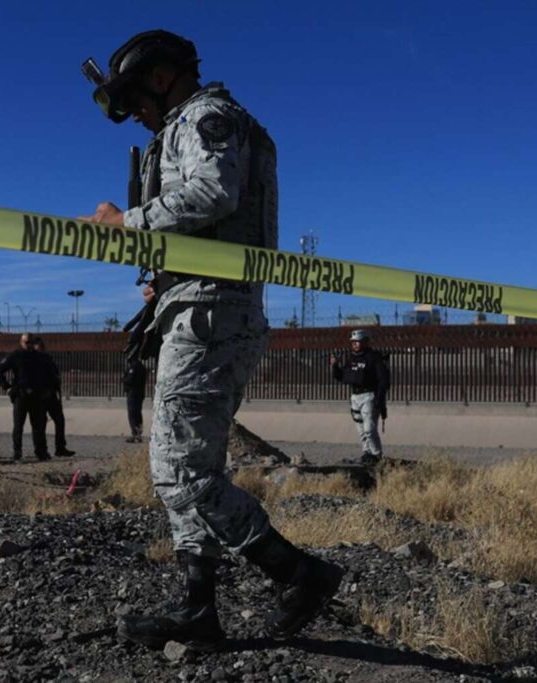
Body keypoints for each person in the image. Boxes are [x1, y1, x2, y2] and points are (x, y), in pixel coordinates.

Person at [82, 29, 343, 650]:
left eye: (136, 98)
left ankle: (297, 573)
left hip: (212, 311)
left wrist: (131, 224)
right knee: (177, 465)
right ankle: (199, 609)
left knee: (183, 471)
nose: (136, 115)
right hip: (199, 301)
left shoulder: (207, 118)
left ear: (162, 76)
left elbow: (214, 192)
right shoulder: (202, 122)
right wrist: (166, 278)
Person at [330, 329, 391, 465]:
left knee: (369, 429)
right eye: (353, 342)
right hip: (355, 397)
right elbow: (341, 376)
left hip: (369, 395)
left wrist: (379, 399)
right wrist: (335, 365)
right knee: (361, 430)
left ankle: (376, 455)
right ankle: (367, 453)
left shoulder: (374, 358)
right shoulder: (351, 358)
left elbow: (383, 380)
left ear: (366, 342)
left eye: (358, 341)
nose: (355, 344)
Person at [0, 333, 51, 461]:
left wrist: (47, 389)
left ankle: (40, 451)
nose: (29, 345)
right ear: (21, 342)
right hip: (21, 395)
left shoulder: (39, 357)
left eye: (31, 342)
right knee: (19, 425)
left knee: (38, 426)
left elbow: (47, 374)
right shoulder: (15, 356)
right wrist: (7, 387)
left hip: (36, 396)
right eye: (27, 342)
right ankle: (17, 451)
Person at [31, 337, 75, 457]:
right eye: (39, 347)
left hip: (51, 395)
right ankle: (41, 449)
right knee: (41, 423)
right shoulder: (32, 362)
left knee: (59, 420)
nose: (41, 349)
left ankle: (60, 447)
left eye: (42, 347)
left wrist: (56, 389)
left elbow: (54, 375)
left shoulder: (48, 359)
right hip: (39, 396)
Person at [122, 356, 147, 443]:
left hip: (133, 393)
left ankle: (135, 434)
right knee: (138, 413)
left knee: (132, 414)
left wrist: (124, 379)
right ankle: (138, 434)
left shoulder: (134, 367)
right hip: (140, 393)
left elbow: (130, 380)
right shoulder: (141, 366)